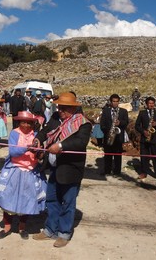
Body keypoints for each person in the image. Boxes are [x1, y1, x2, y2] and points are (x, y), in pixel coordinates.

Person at [32, 92, 92, 248]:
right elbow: (45, 131)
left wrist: (60, 146)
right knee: (51, 199)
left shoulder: (83, 123)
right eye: (59, 107)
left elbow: (80, 142)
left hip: (71, 169)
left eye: (64, 108)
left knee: (67, 203)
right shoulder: (55, 118)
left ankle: (64, 233)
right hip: (54, 168)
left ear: (73, 108)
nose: (61, 110)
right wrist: (38, 139)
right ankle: (50, 229)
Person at [0, 111, 47, 240]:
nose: (26, 125)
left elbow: (40, 153)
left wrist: (39, 152)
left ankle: (22, 227)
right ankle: (7, 227)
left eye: (29, 122)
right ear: (19, 122)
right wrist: (28, 148)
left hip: (31, 170)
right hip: (15, 169)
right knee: (8, 197)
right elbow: (14, 152)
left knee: (26, 199)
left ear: (33, 123)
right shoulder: (15, 133)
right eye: (23, 122)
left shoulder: (37, 135)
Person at [135, 96, 156, 181]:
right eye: (149, 103)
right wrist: (143, 131)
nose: (151, 105)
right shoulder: (142, 113)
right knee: (144, 157)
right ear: (146, 104)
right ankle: (144, 172)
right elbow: (137, 126)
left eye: (152, 103)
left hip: (155, 139)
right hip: (145, 139)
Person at [99, 94, 128, 177]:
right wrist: (108, 132)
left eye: (117, 101)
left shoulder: (123, 111)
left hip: (118, 137)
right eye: (113, 101)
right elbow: (102, 124)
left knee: (118, 155)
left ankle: (117, 172)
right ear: (111, 102)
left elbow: (126, 123)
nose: (115, 103)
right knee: (107, 154)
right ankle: (107, 171)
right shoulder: (106, 111)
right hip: (108, 136)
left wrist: (120, 123)